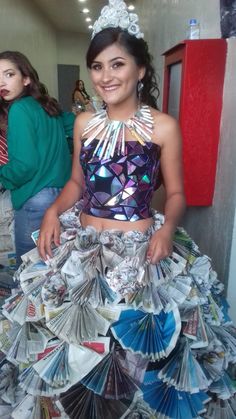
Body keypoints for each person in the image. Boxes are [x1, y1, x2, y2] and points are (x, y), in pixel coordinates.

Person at [0, 2, 235, 419]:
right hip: (84, 249)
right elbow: (76, 183)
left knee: (132, 351)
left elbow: (177, 193)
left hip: (140, 252)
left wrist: (168, 229)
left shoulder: (163, 126)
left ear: (141, 70)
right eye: (96, 66)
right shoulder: (83, 123)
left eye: (117, 64)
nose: (105, 76)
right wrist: (54, 211)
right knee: (72, 345)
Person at [0, 51, 75, 267]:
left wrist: (2, 174)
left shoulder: (19, 109)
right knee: (54, 266)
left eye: (9, 74)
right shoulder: (48, 105)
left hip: (35, 199)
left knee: (32, 271)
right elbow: (77, 128)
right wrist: (61, 148)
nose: (2, 82)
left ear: (26, 79)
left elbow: (24, 166)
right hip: (63, 197)